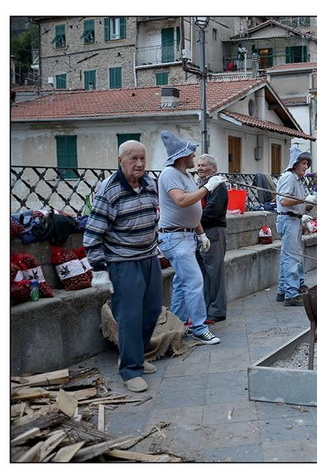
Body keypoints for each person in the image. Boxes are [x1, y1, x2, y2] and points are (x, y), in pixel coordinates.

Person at [83, 140, 163, 393]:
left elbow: (153, 217)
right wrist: (99, 269)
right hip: (122, 262)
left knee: (151, 312)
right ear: (120, 161)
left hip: (149, 257)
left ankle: (136, 356)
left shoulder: (151, 184)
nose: (139, 164)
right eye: (132, 159)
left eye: (142, 158)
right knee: (129, 317)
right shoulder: (110, 190)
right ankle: (129, 370)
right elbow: (92, 234)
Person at [157, 130, 227, 345]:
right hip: (175, 238)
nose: (194, 159)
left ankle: (176, 326)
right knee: (195, 282)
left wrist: (200, 233)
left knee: (181, 283)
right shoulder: (169, 174)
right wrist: (207, 187)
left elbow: (193, 209)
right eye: (191, 154)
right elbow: (182, 201)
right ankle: (198, 327)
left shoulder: (186, 176)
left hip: (186, 235)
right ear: (181, 156)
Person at [275, 147, 313, 306]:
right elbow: (284, 201)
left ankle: (283, 290)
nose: (305, 166)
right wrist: (304, 200)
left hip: (294, 220)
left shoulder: (298, 179)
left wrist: (310, 204)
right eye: (303, 163)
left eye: (307, 163)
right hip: (288, 220)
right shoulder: (289, 177)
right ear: (295, 164)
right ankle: (291, 294)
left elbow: (299, 202)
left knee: (288, 257)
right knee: (291, 257)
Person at [195, 154, 228, 324]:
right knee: (205, 273)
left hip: (213, 231)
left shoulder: (218, 185)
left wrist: (194, 221)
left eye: (203, 165)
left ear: (213, 169)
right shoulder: (201, 184)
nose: (199, 168)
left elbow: (212, 211)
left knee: (214, 272)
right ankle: (207, 308)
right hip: (202, 231)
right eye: (198, 165)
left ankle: (217, 310)